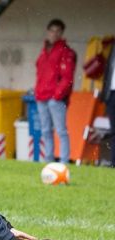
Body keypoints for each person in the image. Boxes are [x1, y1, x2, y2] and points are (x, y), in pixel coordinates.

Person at [34, 19, 76, 163]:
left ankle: (64, 162)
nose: (54, 33)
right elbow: (40, 73)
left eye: (58, 31)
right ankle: (49, 162)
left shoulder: (66, 52)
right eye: (52, 30)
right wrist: (37, 92)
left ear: (62, 33)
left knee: (61, 131)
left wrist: (56, 96)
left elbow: (67, 77)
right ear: (48, 31)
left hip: (55, 99)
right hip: (41, 97)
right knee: (46, 131)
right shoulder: (44, 50)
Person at [102, 43, 115, 167]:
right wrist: (105, 95)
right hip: (111, 94)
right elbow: (108, 71)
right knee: (113, 130)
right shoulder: (114, 47)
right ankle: (113, 162)